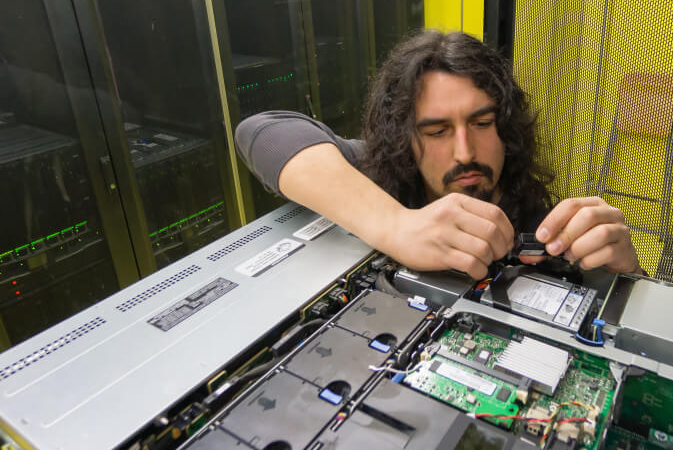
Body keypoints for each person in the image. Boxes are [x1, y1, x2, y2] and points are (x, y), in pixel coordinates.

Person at [235, 30, 641, 280]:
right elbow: (262, 130)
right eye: (437, 131)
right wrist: (396, 227)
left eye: (482, 124)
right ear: (403, 139)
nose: (465, 153)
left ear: (506, 130)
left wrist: (627, 275)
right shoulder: (375, 178)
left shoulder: (538, 222)